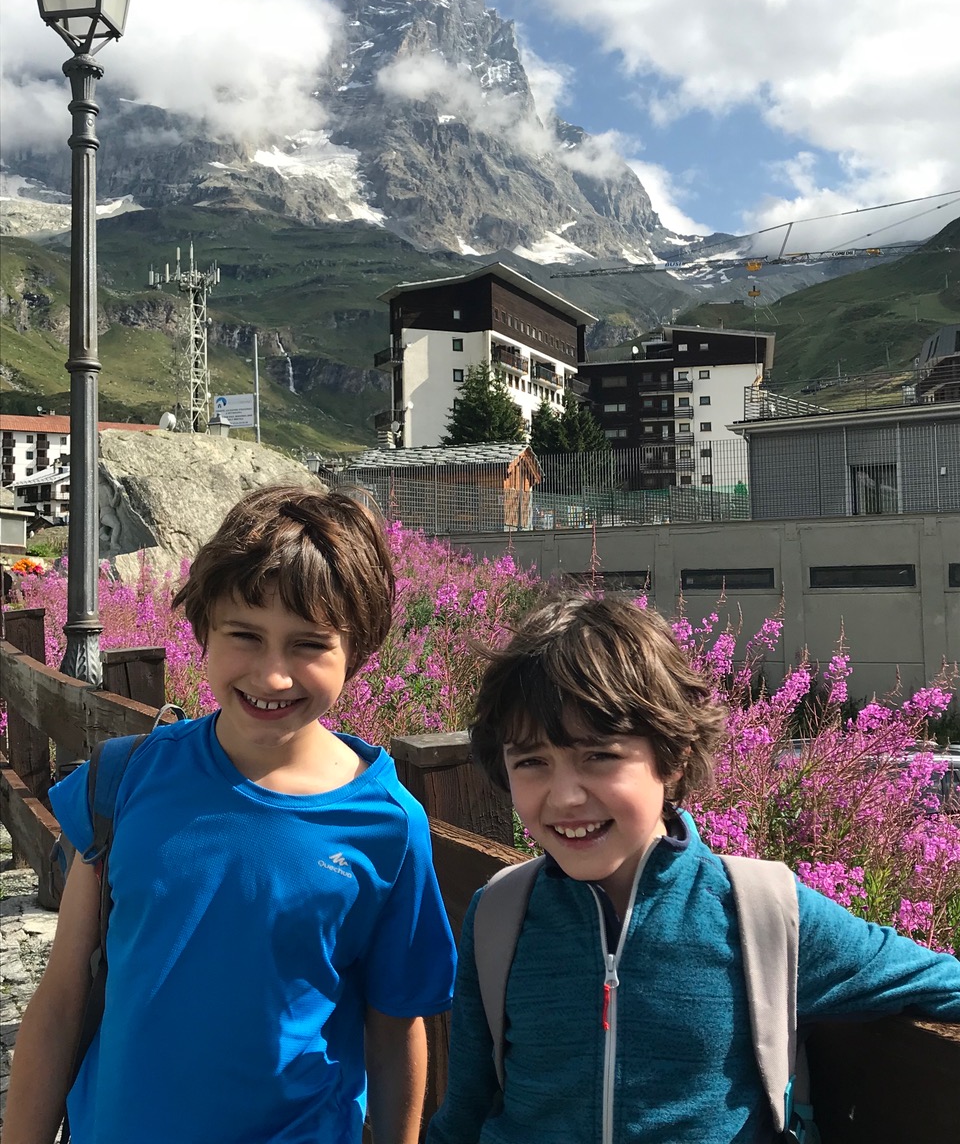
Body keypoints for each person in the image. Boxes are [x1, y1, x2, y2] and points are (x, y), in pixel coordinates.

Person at [4, 486, 456, 1144]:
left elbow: (396, 1031)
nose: (272, 676)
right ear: (205, 630)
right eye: (245, 635)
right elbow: (64, 992)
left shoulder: (387, 823)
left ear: (354, 652)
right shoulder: (128, 777)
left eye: (308, 645)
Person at [426, 594, 960, 1144]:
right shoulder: (500, 914)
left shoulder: (762, 911)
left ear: (673, 756)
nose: (564, 797)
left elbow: (937, 980)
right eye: (532, 762)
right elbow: (466, 1110)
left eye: (599, 756)